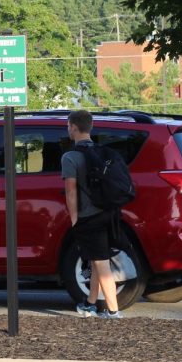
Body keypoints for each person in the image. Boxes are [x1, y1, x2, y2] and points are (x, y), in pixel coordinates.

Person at [62, 109, 123, 319]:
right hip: (109, 212)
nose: (68, 129)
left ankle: (114, 312)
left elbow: (70, 191)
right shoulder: (103, 152)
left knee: (102, 264)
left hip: (89, 216)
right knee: (98, 258)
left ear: (73, 127)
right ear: (91, 127)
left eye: (68, 126)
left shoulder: (70, 157)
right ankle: (90, 303)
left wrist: (74, 219)